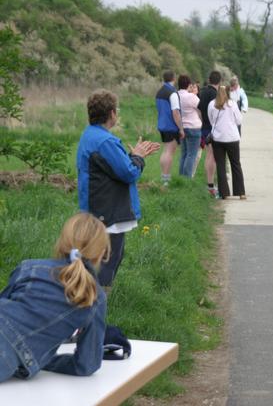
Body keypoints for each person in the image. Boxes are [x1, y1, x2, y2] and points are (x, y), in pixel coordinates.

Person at [0, 213, 109, 382]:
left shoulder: (29, 268)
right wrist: (44, 361)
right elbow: (87, 364)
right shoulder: (95, 297)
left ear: (61, 243)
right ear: (102, 253)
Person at [77, 89, 160, 291]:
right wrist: (138, 157)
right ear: (112, 113)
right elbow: (129, 173)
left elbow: (113, 168)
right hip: (107, 212)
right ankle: (97, 303)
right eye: (117, 110)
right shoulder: (105, 141)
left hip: (96, 207)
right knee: (107, 261)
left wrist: (132, 157)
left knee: (99, 259)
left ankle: (87, 299)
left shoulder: (91, 135)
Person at [208, 86, 246, 200]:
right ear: (228, 92)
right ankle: (240, 192)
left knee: (221, 165)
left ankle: (224, 193)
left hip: (218, 138)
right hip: (232, 138)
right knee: (236, 164)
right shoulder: (232, 104)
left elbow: (211, 120)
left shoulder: (212, 104)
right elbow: (239, 120)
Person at [156, 71, 185, 186]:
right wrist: (181, 128)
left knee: (165, 151)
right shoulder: (172, 93)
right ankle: (166, 179)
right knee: (169, 152)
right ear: (174, 78)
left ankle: (164, 177)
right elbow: (175, 113)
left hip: (162, 125)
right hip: (171, 126)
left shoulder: (159, 92)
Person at [198, 71, 222, 197]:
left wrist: (201, 121)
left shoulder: (202, 92)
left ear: (209, 79)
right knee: (212, 156)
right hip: (213, 128)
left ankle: (209, 183)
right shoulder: (216, 94)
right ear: (220, 81)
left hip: (203, 127)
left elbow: (198, 109)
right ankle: (210, 185)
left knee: (208, 155)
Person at [177, 74, 202, 178]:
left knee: (184, 154)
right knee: (192, 155)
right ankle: (187, 178)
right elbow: (201, 108)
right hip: (193, 127)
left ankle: (181, 177)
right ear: (188, 85)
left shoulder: (176, 95)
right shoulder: (191, 97)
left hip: (182, 127)